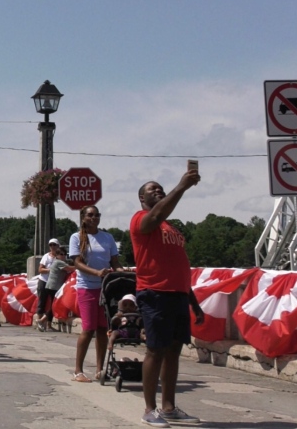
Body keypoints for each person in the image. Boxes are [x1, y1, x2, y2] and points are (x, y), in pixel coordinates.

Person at [131, 170, 202, 427]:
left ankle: (169, 406)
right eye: (152, 189)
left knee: (174, 350)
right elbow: (158, 213)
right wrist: (181, 187)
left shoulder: (170, 228)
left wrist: (194, 303)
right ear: (141, 198)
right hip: (155, 292)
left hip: (178, 294)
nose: (158, 190)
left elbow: (178, 266)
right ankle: (150, 409)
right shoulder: (141, 219)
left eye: (161, 188)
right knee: (155, 349)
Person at [68, 205, 121, 383]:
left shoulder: (107, 237)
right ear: (83, 217)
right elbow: (76, 262)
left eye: (97, 215)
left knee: (102, 329)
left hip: (105, 288)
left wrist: (122, 273)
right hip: (87, 287)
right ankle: (78, 370)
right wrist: (96, 273)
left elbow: (115, 262)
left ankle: (100, 369)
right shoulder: (76, 238)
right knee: (88, 328)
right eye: (90, 215)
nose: (94, 218)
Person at [43, 245, 74, 331]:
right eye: (61, 254)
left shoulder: (57, 261)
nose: (64, 256)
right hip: (54, 286)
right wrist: (81, 267)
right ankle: (43, 321)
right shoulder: (59, 262)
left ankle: (47, 324)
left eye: (65, 254)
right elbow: (69, 268)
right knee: (54, 306)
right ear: (57, 255)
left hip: (52, 286)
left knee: (53, 305)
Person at [35, 238, 63, 331]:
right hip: (44, 280)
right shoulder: (46, 256)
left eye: (54, 245)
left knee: (53, 304)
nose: (52, 247)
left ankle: (49, 325)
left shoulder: (60, 257)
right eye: (51, 245)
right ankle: (39, 322)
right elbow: (40, 269)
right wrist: (50, 270)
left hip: (55, 283)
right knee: (41, 302)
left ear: (58, 246)